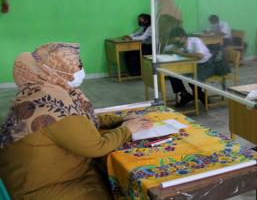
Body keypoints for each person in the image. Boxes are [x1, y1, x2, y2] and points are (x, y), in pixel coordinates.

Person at [0, 43, 153, 199]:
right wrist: (127, 129)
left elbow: (80, 120)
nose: (80, 70)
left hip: (34, 180)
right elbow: (97, 147)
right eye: (77, 65)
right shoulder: (50, 103)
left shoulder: (37, 92)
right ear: (56, 70)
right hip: (43, 190)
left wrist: (120, 119)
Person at [166, 27, 215, 107]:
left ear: (183, 37)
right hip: (193, 64)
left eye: (177, 41)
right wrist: (172, 49)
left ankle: (201, 96)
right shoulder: (180, 43)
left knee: (192, 80)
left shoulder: (196, 41)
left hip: (206, 64)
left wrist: (181, 53)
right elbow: (168, 48)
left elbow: (200, 56)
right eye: (174, 42)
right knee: (172, 74)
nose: (176, 43)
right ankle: (185, 94)